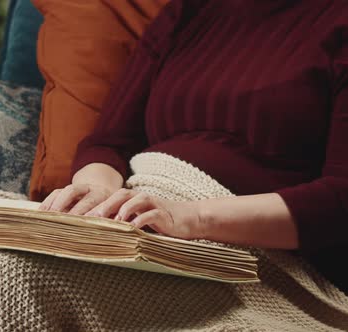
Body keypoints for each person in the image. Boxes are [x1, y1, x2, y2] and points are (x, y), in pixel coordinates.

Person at [39, 0, 348, 291]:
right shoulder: (187, 10)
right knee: (5, 253)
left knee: (31, 279)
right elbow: (107, 144)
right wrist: (95, 192)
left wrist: (191, 218)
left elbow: (340, 199)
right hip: (134, 218)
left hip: (252, 258)